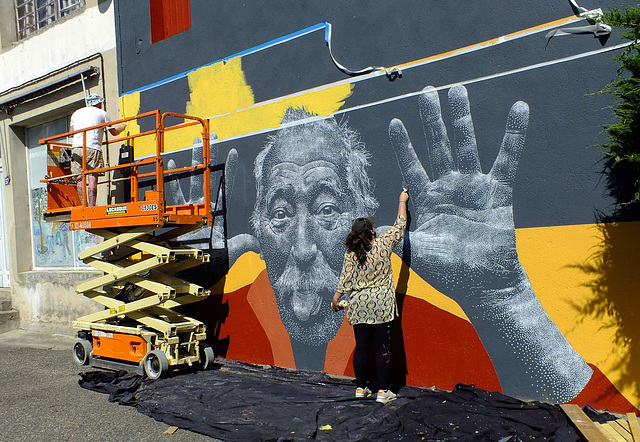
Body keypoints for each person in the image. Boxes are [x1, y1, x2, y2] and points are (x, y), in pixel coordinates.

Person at [331, 190, 409, 404]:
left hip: (359, 306)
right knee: (381, 349)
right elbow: (400, 226)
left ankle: (360, 388)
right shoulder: (383, 246)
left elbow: (344, 281)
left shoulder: (351, 254)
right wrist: (402, 200)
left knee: (362, 347)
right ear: (372, 231)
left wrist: (336, 300)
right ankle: (383, 392)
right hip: (381, 306)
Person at [70, 93, 125, 206]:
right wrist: (121, 128)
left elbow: (71, 133)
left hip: (76, 148)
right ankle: (91, 206)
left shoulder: (76, 113)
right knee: (92, 177)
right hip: (92, 147)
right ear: (98, 103)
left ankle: (83, 205)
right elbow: (113, 132)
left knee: (79, 178)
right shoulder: (102, 113)